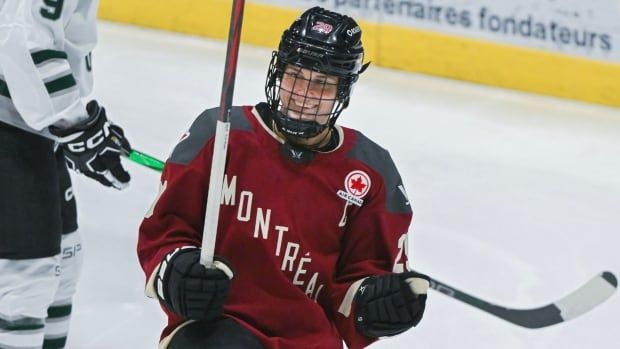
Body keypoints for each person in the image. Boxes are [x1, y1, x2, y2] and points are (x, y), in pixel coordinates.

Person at [138, 6, 429, 349]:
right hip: (218, 327)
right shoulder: (221, 134)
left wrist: (375, 305)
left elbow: (358, 290)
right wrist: (178, 272)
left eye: (321, 83)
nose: (303, 95)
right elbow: (164, 229)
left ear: (343, 91)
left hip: (310, 340)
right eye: (296, 75)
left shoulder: (371, 172)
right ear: (279, 72)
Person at [0, 1, 131, 348]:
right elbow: (22, 37)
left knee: (64, 263)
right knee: (24, 283)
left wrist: (76, 121)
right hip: (11, 124)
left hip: (29, 122)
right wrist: (75, 123)